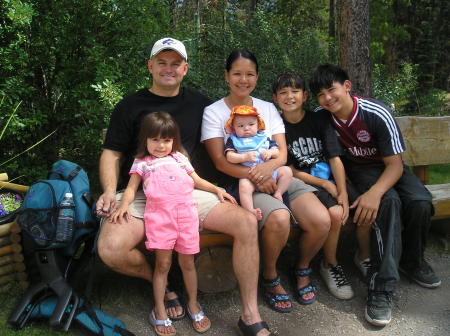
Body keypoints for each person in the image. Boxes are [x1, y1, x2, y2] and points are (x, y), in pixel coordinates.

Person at [96, 38, 273, 336]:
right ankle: (162, 283)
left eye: (175, 63)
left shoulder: (201, 104)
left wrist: (262, 168)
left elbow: (237, 134)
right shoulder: (129, 105)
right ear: (150, 66)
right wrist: (109, 191)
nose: (169, 69)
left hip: (188, 191)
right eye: (162, 62)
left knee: (245, 222)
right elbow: (111, 153)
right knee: (111, 248)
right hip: (139, 194)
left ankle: (250, 314)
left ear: (185, 68)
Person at [201, 50, 333, 314]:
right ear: (227, 76)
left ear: (257, 77)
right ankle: (270, 275)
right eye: (237, 73)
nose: (243, 79)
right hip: (240, 181)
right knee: (279, 218)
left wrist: (268, 170)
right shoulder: (213, 112)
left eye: (249, 74)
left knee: (321, 220)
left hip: (277, 175)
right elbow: (220, 161)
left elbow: (281, 153)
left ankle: (302, 267)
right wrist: (256, 177)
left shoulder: (268, 108)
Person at [309, 64, 441, 327]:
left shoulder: (375, 112)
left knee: (420, 202)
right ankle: (381, 289)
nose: (327, 98)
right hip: (356, 174)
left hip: (389, 168)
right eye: (321, 94)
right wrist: (372, 195)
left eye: (331, 90)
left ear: (347, 86)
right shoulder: (321, 116)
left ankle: (413, 261)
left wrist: (374, 193)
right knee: (387, 204)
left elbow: (395, 164)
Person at [111, 112, 236, 335]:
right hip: (160, 221)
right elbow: (131, 189)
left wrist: (217, 189)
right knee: (163, 265)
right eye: (155, 140)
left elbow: (196, 181)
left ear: (173, 141)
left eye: (166, 140)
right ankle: (159, 309)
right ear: (145, 140)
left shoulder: (179, 158)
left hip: (187, 218)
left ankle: (194, 304)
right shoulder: (143, 163)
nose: (161, 145)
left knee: (188, 263)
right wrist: (122, 206)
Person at [272, 72, 372, 300]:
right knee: (336, 214)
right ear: (275, 98)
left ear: (305, 96)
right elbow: (290, 168)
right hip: (307, 182)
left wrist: (342, 190)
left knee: (364, 205)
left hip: (333, 177)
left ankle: (364, 256)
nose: (290, 97)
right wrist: (325, 185)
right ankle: (330, 264)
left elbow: (334, 156)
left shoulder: (319, 120)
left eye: (295, 91)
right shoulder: (277, 126)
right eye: (284, 93)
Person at [224, 105, 293, 220]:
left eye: (251, 124)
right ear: (234, 128)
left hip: (271, 172)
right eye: (240, 126)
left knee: (287, 171)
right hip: (249, 176)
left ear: (258, 125)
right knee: (243, 186)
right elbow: (229, 157)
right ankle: (250, 210)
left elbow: (277, 152)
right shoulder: (234, 140)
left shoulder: (263, 137)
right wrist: (243, 157)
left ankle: (279, 192)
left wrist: (270, 153)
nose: (246, 128)